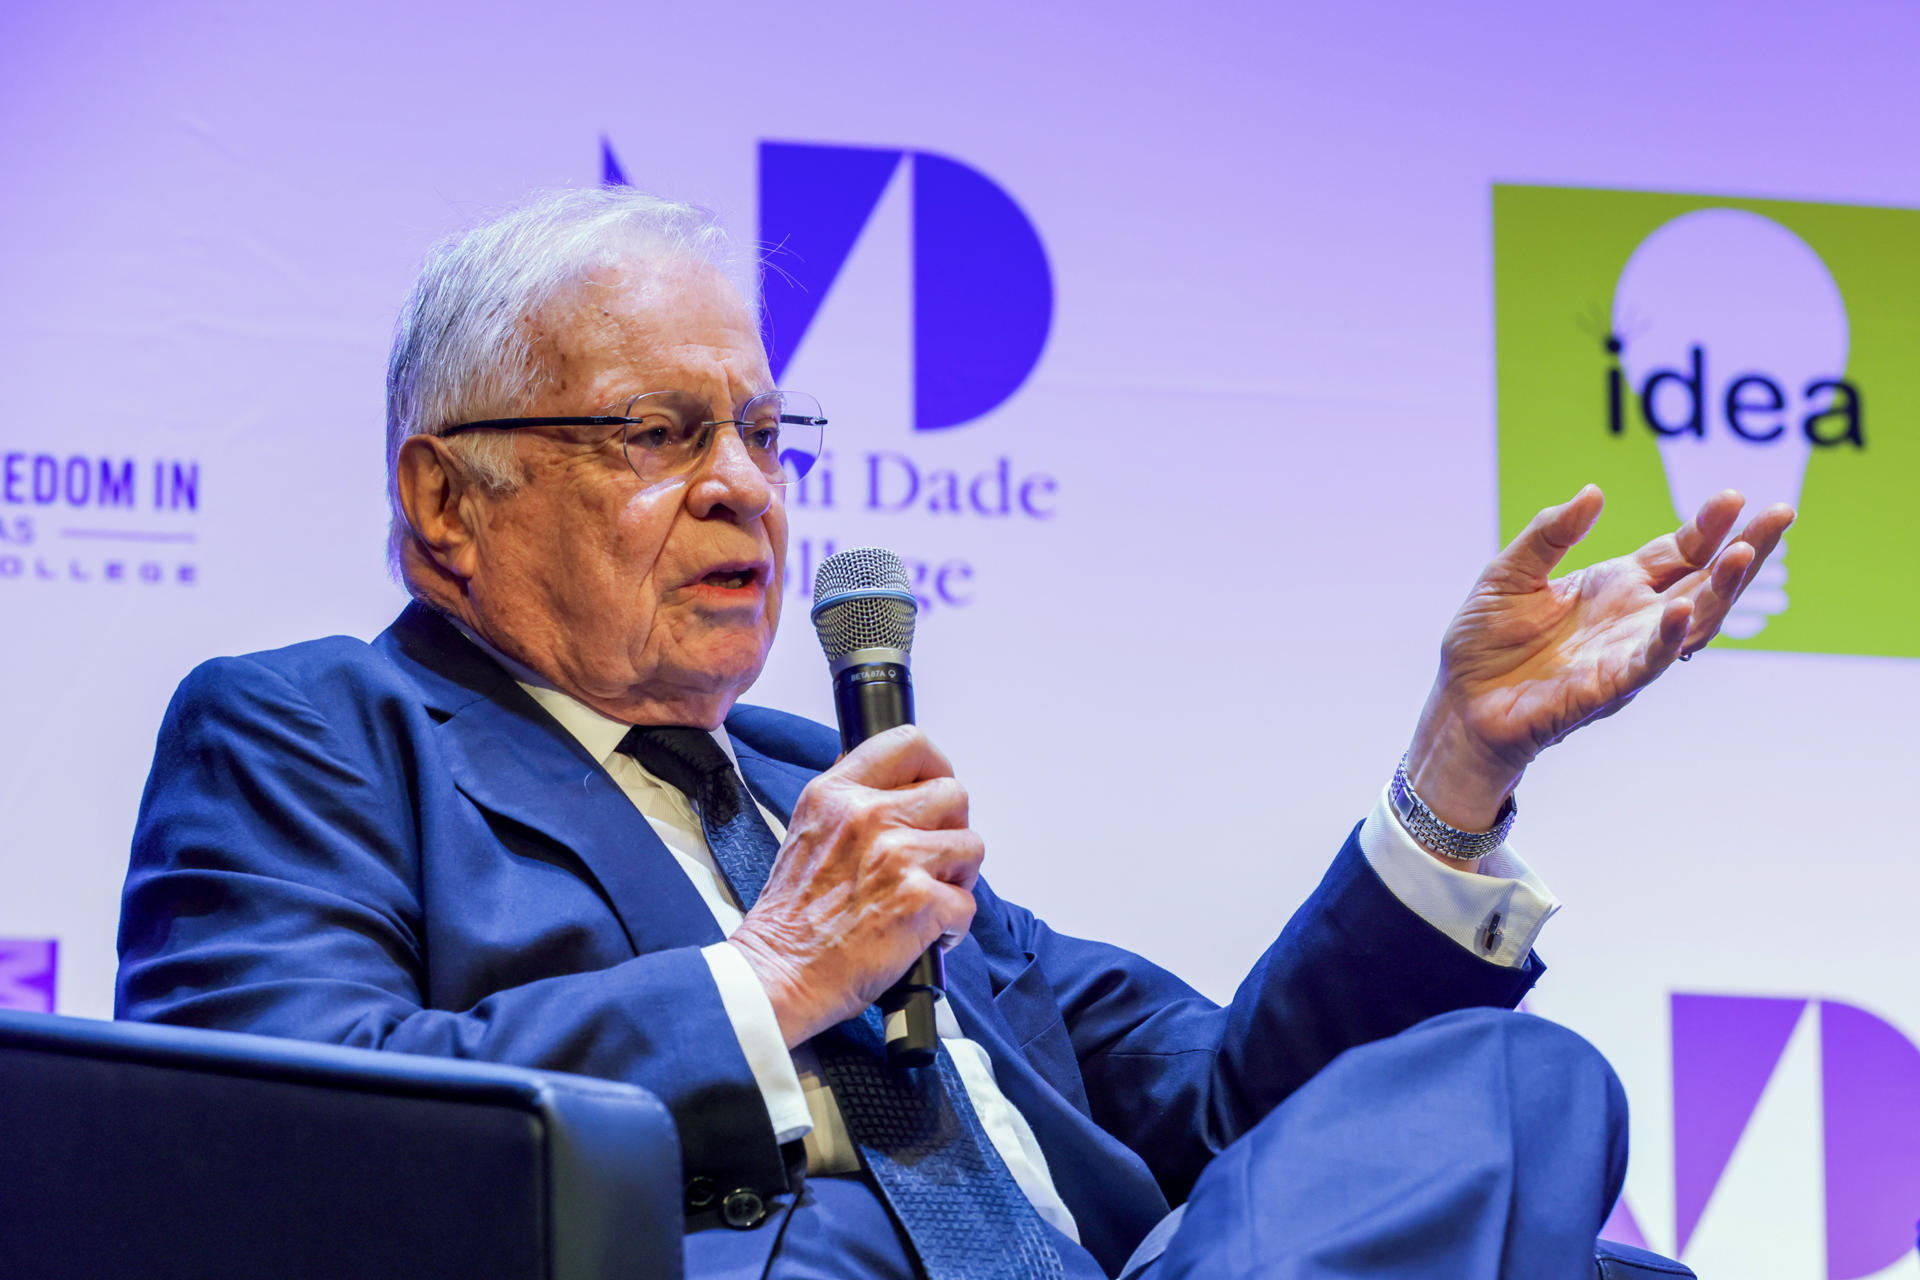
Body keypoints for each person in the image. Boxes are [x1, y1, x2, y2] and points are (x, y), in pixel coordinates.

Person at [118, 186, 1791, 1280]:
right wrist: (770, 984)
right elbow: (279, 1154)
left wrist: (1460, 770)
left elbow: (1225, 1115)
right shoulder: (316, 732)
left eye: (767, 436)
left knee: (1501, 1091)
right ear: (446, 500)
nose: (742, 489)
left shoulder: (815, 794)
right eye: (657, 431)